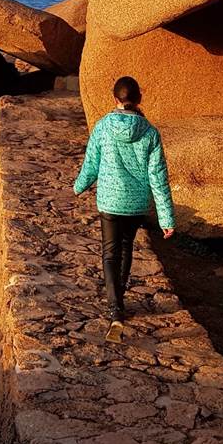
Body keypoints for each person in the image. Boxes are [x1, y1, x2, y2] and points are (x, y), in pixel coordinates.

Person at [72, 75, 175, 341]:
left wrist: (79, 186)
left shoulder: (103, 127)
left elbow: (92, 162)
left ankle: (115, 311)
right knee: (127, 247)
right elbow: (158, 177)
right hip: (136, 203)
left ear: (115, 98)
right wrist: (166, 218)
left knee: (109, 254)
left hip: (109, 201)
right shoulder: (150, 132)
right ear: (139, 98)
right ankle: (120, 300)